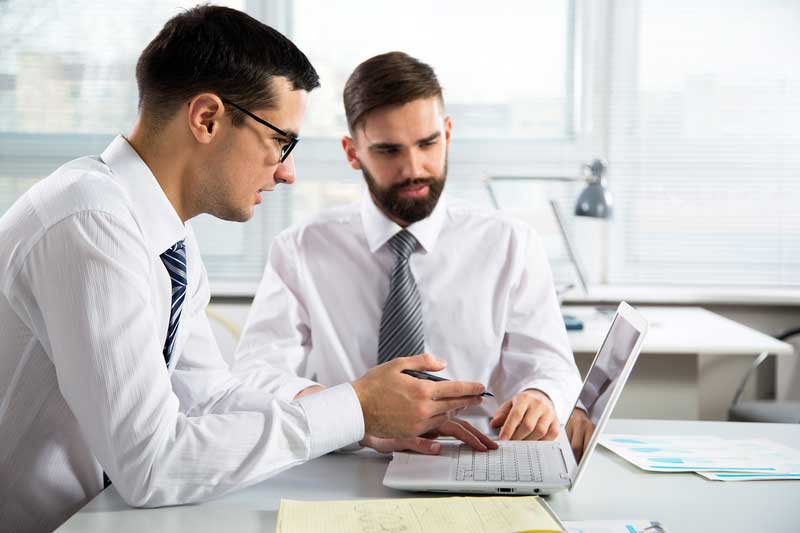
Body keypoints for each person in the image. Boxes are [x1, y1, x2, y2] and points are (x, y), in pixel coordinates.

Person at [0, 10, 493, 532]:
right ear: (207, 118)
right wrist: (352, 409)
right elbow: (152, 464)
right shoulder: (90, 221)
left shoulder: (166, 236)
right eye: (282, 141)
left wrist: (360, 421)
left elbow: (208, 396)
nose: (288, 171)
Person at [234, 51, 584, 455]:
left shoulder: (511, 243)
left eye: (428, 143)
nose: (414, 168)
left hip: (474, 456)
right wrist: (352, 415)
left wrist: (542, 397)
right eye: (389, 151)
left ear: (448, 134)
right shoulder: (301, 248)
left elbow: (551, 364)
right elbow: (255, 373)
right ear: (352, 152)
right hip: (349, 456)